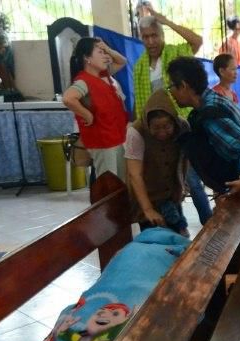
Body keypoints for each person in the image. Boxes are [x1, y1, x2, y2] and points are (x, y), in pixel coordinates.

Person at [132, 7, 209, 225]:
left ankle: (209, 223)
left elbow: (197, 41)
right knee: (165, 180)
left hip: (179, 129)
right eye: (145, 37)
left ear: (162, 35)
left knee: (191, 180)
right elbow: (140, 103)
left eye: (154, 35)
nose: (150, 41)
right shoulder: (139, 66)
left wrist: (166, 21)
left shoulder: (175, 54)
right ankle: (177, 223)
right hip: (156, 133)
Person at [167, 56, 240, 195]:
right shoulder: (213, 101)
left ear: (183, 86)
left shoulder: (211, 113)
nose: (170, 93)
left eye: (171, 86)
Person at [125, 90, 190, 237]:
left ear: (174, 121)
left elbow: (185, 160)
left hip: (172, 195)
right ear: (147, 124)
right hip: (146, 195)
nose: (162, 132)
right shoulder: (136, 132)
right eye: (156, 127)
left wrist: (182, 185)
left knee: (178, 234)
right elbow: (135, 174)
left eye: (167, 127)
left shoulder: (182, 126)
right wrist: (148, 209)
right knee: (155, 238)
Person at [63, 37, 129, 181]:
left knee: (121, 182)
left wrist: (108, 49)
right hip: (103, 141)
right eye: (100, 52)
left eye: (105, 52)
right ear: (87, 58)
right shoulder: (84, 80)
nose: (106, 56)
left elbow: (122, 61)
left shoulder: (104, 75)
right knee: (109, 183)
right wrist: (87, 115)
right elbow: (68, 98)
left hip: (117, 137)